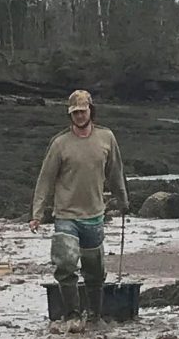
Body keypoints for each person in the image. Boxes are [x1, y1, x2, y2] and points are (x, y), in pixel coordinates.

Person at [29, 88, 127, 318]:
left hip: (94, 214)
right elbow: (45, 180)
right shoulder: (60, 144)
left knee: (95, 271)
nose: (79, 116)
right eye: (74, 113)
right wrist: (37, 213)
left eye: (82, 111)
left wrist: (123, 199)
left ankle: (95, 315)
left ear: (91, 111)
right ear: (70, 115)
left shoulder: (106, 138)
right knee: (65, 265)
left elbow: (116, 173)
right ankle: (72, 316)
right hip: (65, 215)